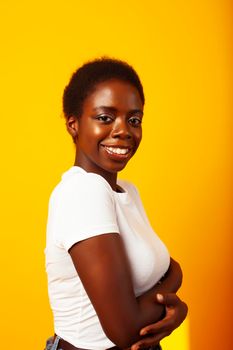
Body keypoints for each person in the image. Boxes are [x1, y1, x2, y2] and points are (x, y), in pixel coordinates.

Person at [45, 58, 188, 350]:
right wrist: (175, 309)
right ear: (73, 124)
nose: (123, 130)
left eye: (134, 120)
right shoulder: (83, 191)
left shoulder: (126, 190)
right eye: (105, 118)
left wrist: (173, 278)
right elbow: (125, 330)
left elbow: (173, 270)